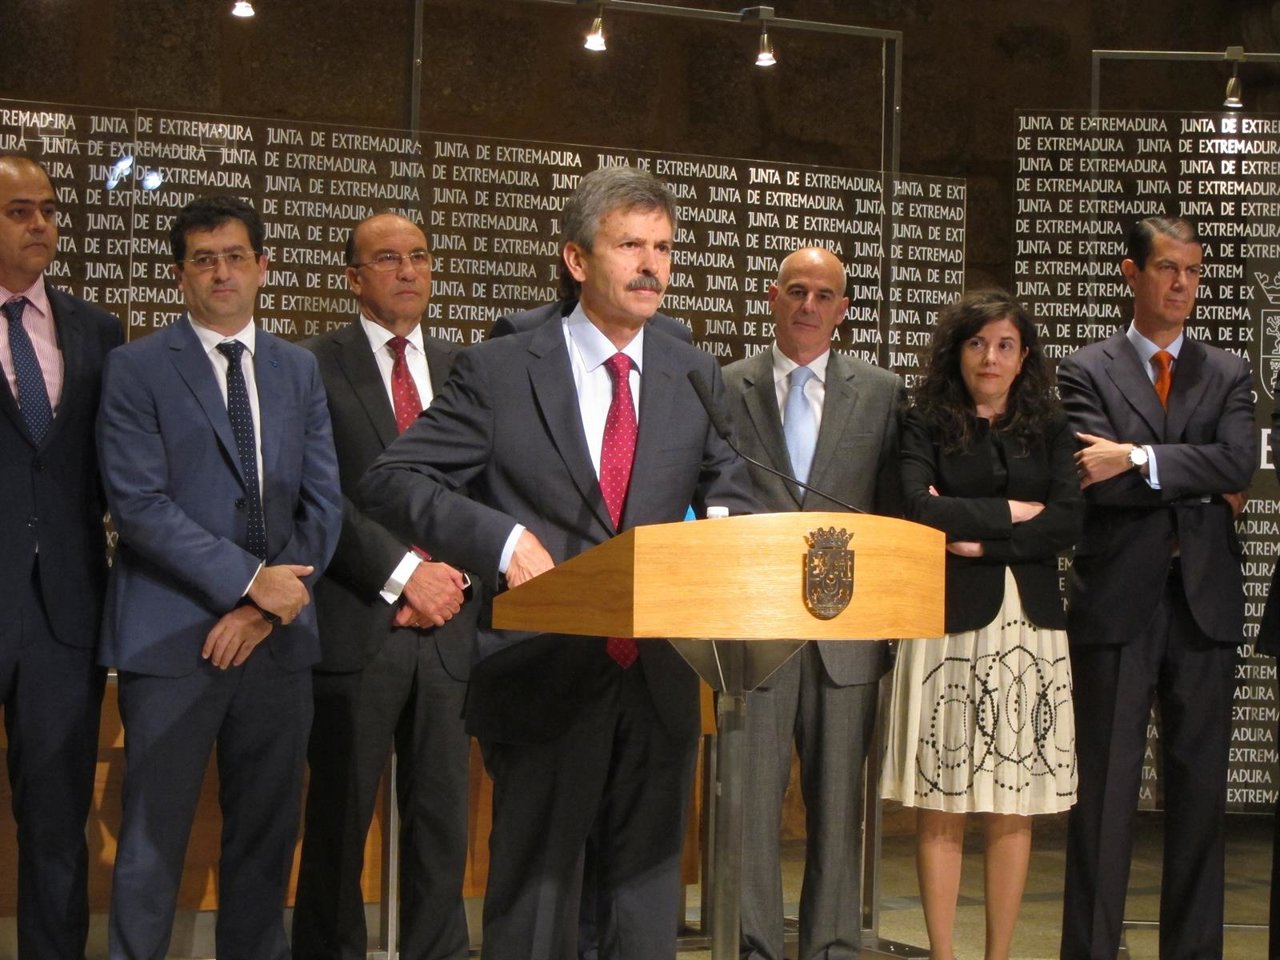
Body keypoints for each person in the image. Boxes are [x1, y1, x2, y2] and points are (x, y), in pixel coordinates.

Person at [357, 165, 756, 960]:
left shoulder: (692, 371)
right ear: (578, 260)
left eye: (664, 249)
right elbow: (391, 479)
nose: (652, 265)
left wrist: (718, 537)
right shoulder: (502, 368)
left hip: (658, 681)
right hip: (540, 677)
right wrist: (502, 543)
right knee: (537, 916)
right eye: (630, 246)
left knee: (642, 919)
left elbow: (734, 486)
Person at [96, 194, 342, 960]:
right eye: (204, 260)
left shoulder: (297, 369)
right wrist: (247, 582)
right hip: (173, 640)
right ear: (180, 277)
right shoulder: (136, 367)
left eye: (236, 256)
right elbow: (138, 505)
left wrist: (265, 610)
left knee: (266, 844)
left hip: (276, 647)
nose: (222, 272)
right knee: (150, 846)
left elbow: (324, 502)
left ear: (263, 267)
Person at [1056, 216, 1255, 960]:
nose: (1182, 285)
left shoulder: (1229, 372)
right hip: (1118, 605)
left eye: (1193, 272)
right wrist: (1190, 479)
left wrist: (1137, 456)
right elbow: (1092, 483)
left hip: (1204, 605)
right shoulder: (1086, 370)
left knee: (1200, 798)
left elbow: (1238, 465)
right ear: (1130, 273)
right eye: (1168, 268)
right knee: (1104, 799)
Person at [292, 211, 477, 960]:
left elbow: (487, 487)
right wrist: (405, 575)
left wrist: (452, 577)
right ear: (353, 278)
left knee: (442, 824)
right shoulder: (311, 365)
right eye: (389, 259)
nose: (408, 271)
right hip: (357, 622)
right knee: (338, 825)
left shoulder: (465, 367)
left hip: (451, 628)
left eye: (420, 257)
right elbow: (315, 492)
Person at [882, 289, 1081, 960]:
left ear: (1024, 356)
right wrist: (1015, 515)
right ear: (956, 351)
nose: (990, 358)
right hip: (945, 622)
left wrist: (977, 533)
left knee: (1013, 800)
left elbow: (1068, 521)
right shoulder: (923, 421)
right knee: (942, 797)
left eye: (1004, 345)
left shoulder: (1050, 425)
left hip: (1029, 624)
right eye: (976, 343)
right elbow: (915, 507)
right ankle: (943, 954)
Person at [722, 246, 904, 960]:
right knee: (750, 805)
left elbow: (894, 508)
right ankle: (752, 944)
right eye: (796, 291)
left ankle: (832, 945)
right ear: (771, 297)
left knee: (838, 808)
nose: (808, 306)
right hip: (756, 624)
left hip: (847, 631)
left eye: (824, 295)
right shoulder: (725, 384)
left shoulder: (883, 392)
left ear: (843, 310)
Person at [0, 152, 122, 958]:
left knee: (54, 824)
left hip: (63, 613)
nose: (41, 223)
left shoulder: (96, 330)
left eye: (47, 208)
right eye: (19, 211)